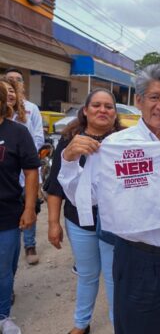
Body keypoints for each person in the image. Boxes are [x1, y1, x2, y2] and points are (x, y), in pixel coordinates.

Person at [58, 64, 160, 334]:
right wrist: (68, 162)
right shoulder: (117, 145)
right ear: (139, 101)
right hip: (137, 261)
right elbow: (85, 198)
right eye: (154, 97)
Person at [46, 88, 121, 334]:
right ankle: (81, 324)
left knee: (114, 278)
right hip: (79, 221)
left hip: (115, 224)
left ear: (115, 113)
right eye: (97, 105)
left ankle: (119, 325)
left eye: (108, 106)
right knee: (87, 275)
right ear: (86, 111)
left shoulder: (124, 141)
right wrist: (53, 223)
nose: (102, 110)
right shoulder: (69, 142)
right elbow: (56, 187)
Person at [0, 82, 40, 334]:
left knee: (4, 267)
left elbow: (31, 172)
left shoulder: (17, 132)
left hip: (7, 212)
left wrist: (29, 208)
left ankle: (3, 315)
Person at [5, 68, 44, 265]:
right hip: (6, 171)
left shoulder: (31, 108)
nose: (13, 83)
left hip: (27, 166)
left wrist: (24, 154)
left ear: (22, 84)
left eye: (17, 80)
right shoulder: (3, 109)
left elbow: (38, 135)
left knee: (30, 205)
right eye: (9, 80)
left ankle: (29, 244)